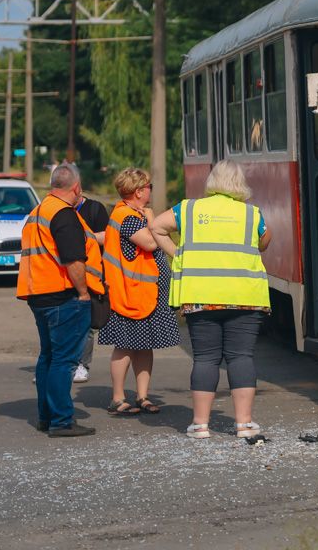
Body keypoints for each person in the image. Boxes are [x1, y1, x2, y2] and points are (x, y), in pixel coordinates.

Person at [149, 160, 272, 440]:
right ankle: (243, 424)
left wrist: (178, 253)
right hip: (244, 297)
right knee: (241, 357)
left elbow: (156, 227)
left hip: (200, 295)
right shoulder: (251, 214)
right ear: (239, 183)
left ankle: (201, 425)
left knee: (205, 358)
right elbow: (265, 241)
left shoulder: (189, 209)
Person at [16, 163, 104, 437]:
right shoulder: (64, 215)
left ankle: (46, 417)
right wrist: (83, 292)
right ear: (76, 188)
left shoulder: (37, 212)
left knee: (49, 357)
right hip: (63, 296)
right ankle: (61, 421)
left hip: (38, 294)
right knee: (64, 361)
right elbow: (74, 260)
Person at [98, 167, 181, 416]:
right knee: (125, 345)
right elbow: (151, 241)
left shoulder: (131, 214)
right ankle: (118, 397)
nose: (150, 191)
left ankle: (142, 396)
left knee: (144, 345)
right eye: (149, 188)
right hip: (133, 293)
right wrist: (154, 219)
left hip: (145, 293)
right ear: (138, 191)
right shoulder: (129, 217)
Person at [73, 193, 111, 383]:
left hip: (90, 275)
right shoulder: (59, 210)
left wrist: (79, 238)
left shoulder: (95, 209)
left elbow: (107, 237)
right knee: (61, 321)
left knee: (86, 324)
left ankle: (82, 364)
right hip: (63, 274)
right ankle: (59, 364)